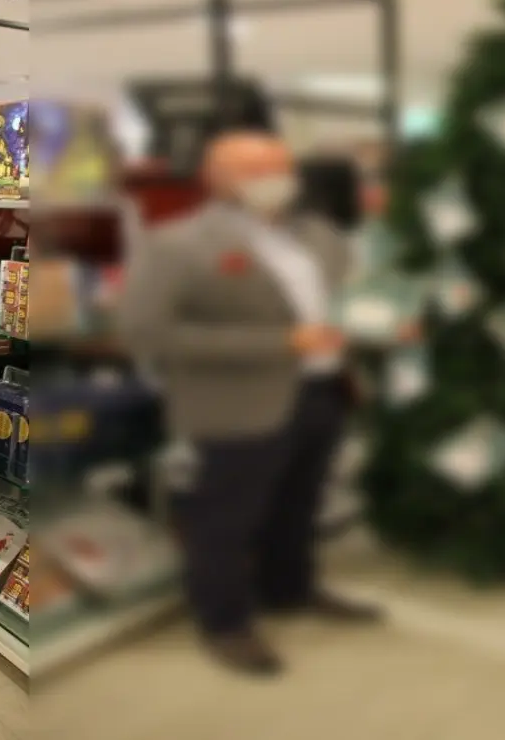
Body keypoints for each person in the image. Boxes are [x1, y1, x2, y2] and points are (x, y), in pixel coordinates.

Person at [119, 131, 382, 678]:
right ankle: (224, 623)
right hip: (237, 401)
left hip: (322, 392)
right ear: (215, 179)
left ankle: (292, 590)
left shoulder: (318, 234)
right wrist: (278, 344)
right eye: (255, 170)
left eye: (281, 168)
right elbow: (148, 334)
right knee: (227, 519)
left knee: (300, 503)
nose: (274, 182)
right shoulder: (178, 243)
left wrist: (378, 318)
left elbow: (348, 297)